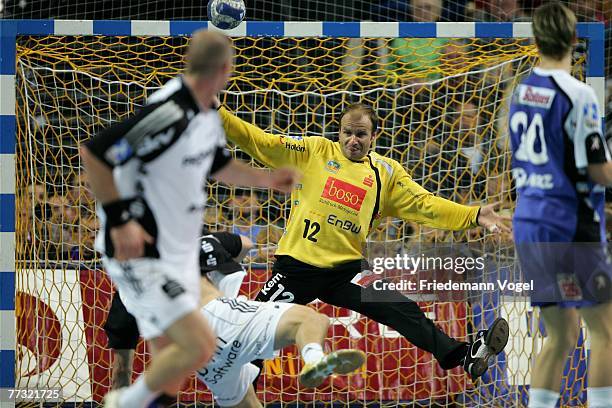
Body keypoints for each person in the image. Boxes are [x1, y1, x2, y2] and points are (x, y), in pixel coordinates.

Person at [215, 96, 511, 382]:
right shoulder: (314, 151)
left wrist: (472, 215)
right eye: (347, 133)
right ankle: (239, 394)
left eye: (361, 134)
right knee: (254, 335)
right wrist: (219, 112)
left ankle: (464, 356)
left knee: (400, 308)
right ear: (339, 132)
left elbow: (425, 204)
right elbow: (260, 141)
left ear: (373, 137)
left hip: (347, 271)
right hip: (296, 268)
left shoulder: (385, 173)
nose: (352, 140)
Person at [81, 30, 298, 408]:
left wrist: (266, 179)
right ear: (226, 69)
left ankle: (130, 402)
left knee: (170, 378)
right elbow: (95, 153)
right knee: (200, 345)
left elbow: (219, 165)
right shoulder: (170, 113)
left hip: (173, 257)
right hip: (139, 254)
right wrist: (120, 220)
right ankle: (120, 404)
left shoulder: (205, 115)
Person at [105, 231, 365, 408]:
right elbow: (246, 244)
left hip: (203, 360)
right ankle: (313, 359)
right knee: (310, 320)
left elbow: (121, 371)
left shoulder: (124, 299)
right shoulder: (191, 246)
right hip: (220, 318)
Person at [509, 3, 612, 408]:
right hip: (569, 225)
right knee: (603, 331)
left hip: (530, 224)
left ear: (535, 40)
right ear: (574, 40)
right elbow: (598, 170)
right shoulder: (579, 93)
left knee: (562, 334)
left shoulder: (520, 91)